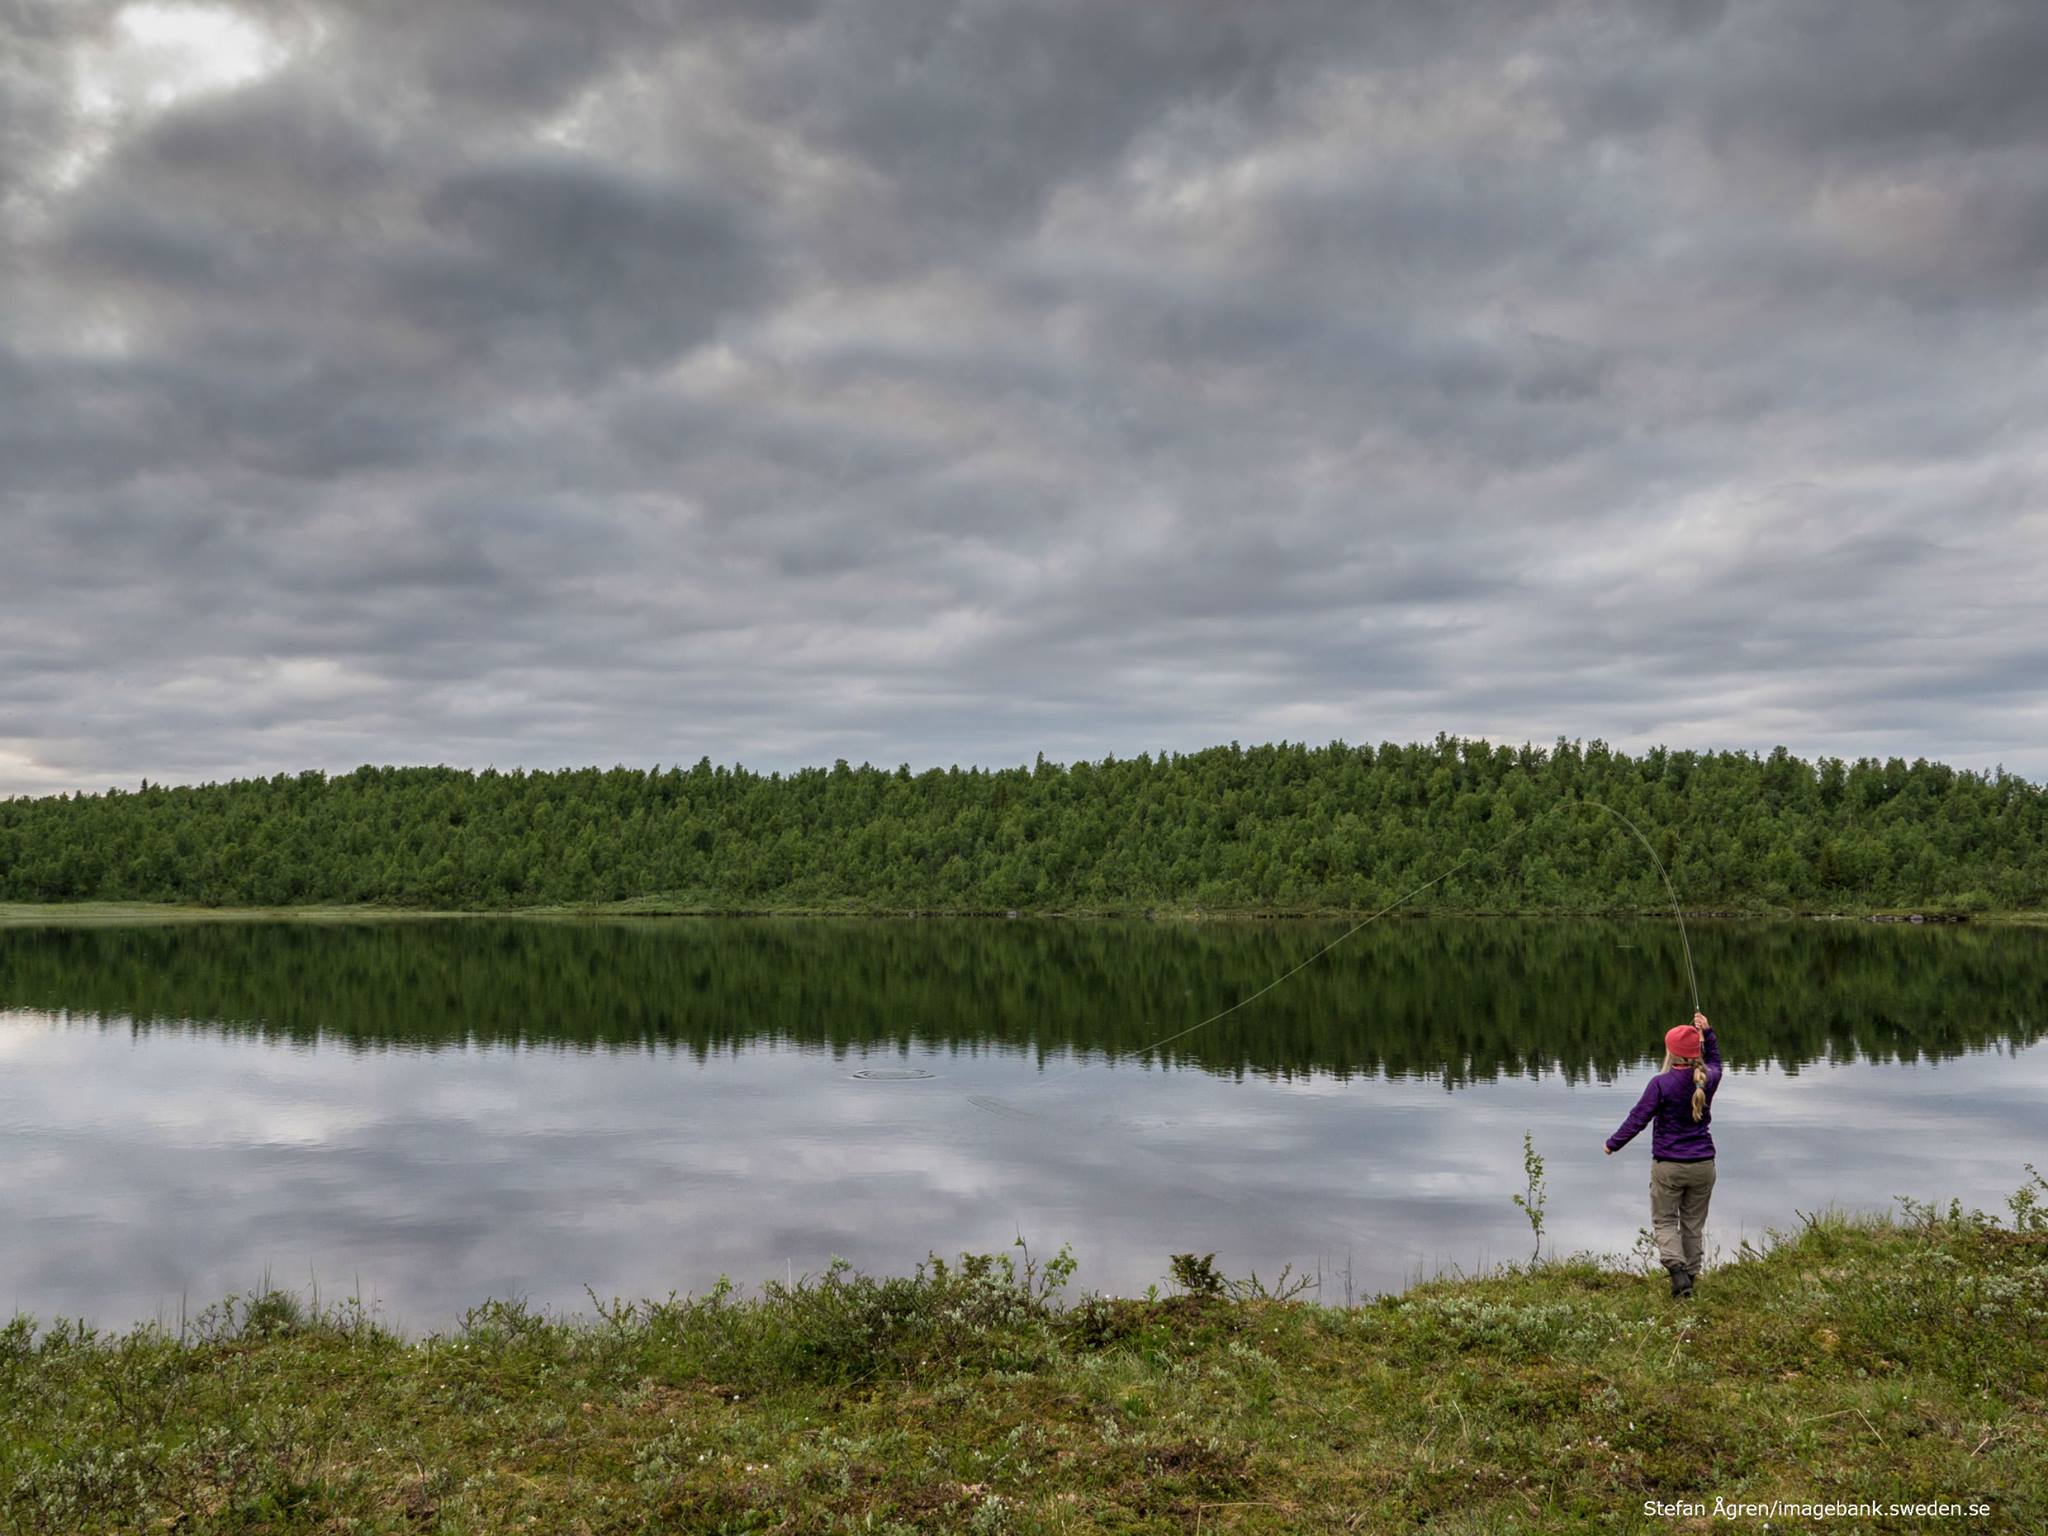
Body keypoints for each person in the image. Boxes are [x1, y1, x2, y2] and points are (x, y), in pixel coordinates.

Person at [1605, 1011, 1721, 1297]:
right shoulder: (1709, 1078)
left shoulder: (1661, 1083)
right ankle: (1690, 1280)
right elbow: (1716, 1061)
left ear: (1672, 1052)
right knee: (1693, 1224)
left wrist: (1613, 1143)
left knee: (1665, 1221)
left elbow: (1638, 1118)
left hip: (1669, 1166)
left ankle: (1679, 1275)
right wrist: (1708, 1033)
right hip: (1704, 1165)